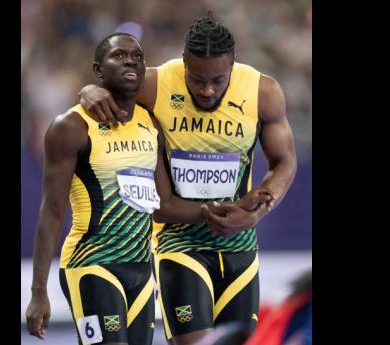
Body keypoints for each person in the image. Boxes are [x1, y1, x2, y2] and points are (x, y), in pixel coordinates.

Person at [25, 32, 263, 345]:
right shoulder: (71, 126)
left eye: (137, 56)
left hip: (139, 271)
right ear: (98, 70)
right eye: (119, 56)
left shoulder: (152, 125)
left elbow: (163, 206)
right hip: (92, 265)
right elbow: (52, 210)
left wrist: (226, 210)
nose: (130, 61)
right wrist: (38, 291)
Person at [77, 13, 297, 345]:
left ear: (233, 68)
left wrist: (257, 210)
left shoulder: (261, 92)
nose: (207, 90)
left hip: (240, 247)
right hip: (180, 243)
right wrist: (88, 91)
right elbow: (100, 92)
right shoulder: (156, 83)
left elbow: (285, 161)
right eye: (196, 79)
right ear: (183, 64)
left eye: (219, 80)